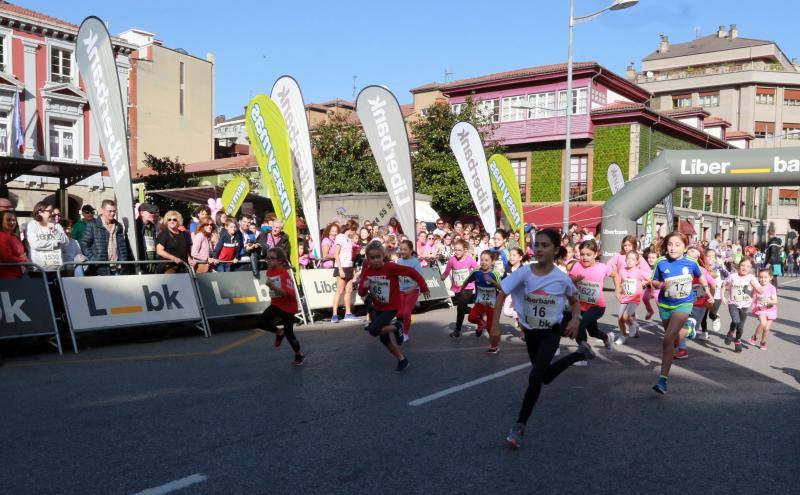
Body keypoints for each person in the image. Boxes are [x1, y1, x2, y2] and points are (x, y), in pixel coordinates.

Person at [490, 228, 589, 449]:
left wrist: (576, 318)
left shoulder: (561, 278)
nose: (539, 249)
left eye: (545, 245)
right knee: (543, 377)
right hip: (530, 333)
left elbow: (574, 301)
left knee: (535, 377)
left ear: (555, 249)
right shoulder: (525, 272)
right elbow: (502, 293)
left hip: (550, 333)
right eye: (537, 245)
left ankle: (519, 426)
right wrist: (495, 326)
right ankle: (579, 354)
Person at [650, 232, 712, 394]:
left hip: (684, 303)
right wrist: (661, 285)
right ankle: (689, 328)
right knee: (674, 341)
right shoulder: (661, 262)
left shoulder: (691, 262)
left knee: (667, 339)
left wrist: (708, 292)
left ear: (685, 248)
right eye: (670, 244)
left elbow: (702, 276)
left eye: (677, 245)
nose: (673, 248)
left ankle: (662, 379)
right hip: (665, 304)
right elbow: (654, 281)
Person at [357, 242, 429, 372]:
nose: (375, 260)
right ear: (368, 258)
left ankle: (397, 327)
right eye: (372, 258)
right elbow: (361, 293)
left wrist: (423, 286)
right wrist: (364, 286)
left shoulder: (391, 267)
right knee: (384, 339)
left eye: (378, 257)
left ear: (383, 256)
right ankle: (402, 360)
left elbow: (411, 272)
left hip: (391, 307)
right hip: (378, 307)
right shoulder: (367, 271)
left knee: (373, 330)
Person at [568, 239, 615, 365]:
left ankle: (582, 356)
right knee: (593, 332)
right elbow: (569, 279)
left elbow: (615, 275)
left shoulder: (602, 267)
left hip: (597, 306)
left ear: (595, 254)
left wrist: (618, 290)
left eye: (588, 255)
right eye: (582, 254)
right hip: (581, 306)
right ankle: (607, 338)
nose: (584, 257)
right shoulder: (577, 265)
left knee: (580, 324)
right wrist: (574, 280)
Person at [258, 247, 305, 366]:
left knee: (289, 333)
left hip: (288, 306)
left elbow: (286, 293)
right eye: (267, 258)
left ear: (280, 261)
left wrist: (272, 287)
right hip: (276, 304)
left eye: (271, 258)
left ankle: (299, 354)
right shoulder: (270, 271)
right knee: (260, 322)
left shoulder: (284, 274)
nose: (268, 260)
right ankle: (279, 332)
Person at [672, 245, 716, 359]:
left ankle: (686, 336)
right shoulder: (680, 267)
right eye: (690, 250)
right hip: (683, 303)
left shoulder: (702, 271)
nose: (692, 253)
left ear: (698, 256)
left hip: (699, 305)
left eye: (695, 252)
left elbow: (713, 284)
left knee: (691, 331)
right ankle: (682, 350)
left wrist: (709, 297)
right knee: (680, 325)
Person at [461, 250, 502, 353]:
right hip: (479, 302)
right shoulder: (476, 272)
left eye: (486, 260)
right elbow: (468, 280)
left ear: (492, 262)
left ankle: (494, 346)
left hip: (492, 305)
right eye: (482, 260)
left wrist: (492, 281)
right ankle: (480, 324)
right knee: (471, 318)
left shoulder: (495, 274)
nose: (483, 262)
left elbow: (502, 288)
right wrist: (462, 288)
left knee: (490, 327)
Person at [722, 256, 763, 353]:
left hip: (745, 306)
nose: (745, 268)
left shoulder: (752, 278)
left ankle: (737, 340)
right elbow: (724, 285)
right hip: (733, 304)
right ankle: (731, 332)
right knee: (735, 321)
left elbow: (760, 290)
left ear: (751, 268)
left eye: (748, 266)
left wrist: (757, 286)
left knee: (741, 327)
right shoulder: (733, 276)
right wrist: (723, 296)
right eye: (743, 265)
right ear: (739, 266)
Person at [441, 239, 479, 339]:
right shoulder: (452, 260)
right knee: (463, 308)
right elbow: (447, 271)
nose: (457, 252)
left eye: (459, 250)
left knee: (460, 307)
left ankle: (457, 331)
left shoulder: (470, 260)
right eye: (455, 250)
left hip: (468, 287)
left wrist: (478, 276)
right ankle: (478, 314)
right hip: (457, 288)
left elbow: (477, 269)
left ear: (465, 250)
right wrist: (443, 276)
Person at [80, 199, 130, 275]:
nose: (113, 213)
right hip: (101, 268)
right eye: (110, 211)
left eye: (114, 211)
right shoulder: (93, 225)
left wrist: (123, 260)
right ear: (102, 210)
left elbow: (122, 246)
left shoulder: (118, 226)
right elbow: (84, 243)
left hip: (118, 268)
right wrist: (94, 259)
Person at [613, 250, 651, 345]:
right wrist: (619, 290)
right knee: (620, 319)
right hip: (625, 297)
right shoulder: (622, 271)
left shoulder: (638, 272)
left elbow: (650, 278)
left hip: (634, 298)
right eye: (628, 259)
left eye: (633, 259)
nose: (630, 261)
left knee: (626, 316)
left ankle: (633, 325)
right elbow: (620, 282)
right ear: (625, 260)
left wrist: (645, 283)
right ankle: (623, 335)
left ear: (637, 262)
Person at [26, 201, 68, 271]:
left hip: (57, 269)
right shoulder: (32, 224)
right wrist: (55, 243)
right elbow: (35, 244)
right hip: (39, 269)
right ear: (40, 212)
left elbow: (66, 242)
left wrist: (55, 231)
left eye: (52, 211)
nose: (52, 213)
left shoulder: (56, 225)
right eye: (50, 211)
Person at [331, 220, 359, 322]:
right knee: (339, 290)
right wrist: (340, 269)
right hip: (341, 266)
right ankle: (334, 315)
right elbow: (336, 254)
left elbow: (348, 254)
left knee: (349, 290)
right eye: (355, 230)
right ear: (351, 229)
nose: (355, 232)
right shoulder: (340, 237)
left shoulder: (349, 239)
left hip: (349, 266)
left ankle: (348, 313)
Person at [396, 239, 423, 342]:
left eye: (405, 249)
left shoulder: (415, 262)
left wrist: (411, 289)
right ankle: (399, 328)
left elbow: (419, 279)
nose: (402, 251)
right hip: (401, 290)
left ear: (411, 250)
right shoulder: (399, 261)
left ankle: (405, 333)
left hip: (413, 290)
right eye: (401, 249)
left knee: (406, 312)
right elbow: (396, 274)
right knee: (399, 314)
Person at [748, 269, 777, 350]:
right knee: (763, 324)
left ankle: (763, 342)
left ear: (770, 278)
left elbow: (775, 301)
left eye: (765, 277)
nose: (763, 279)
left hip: (771, 310)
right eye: (761, 277)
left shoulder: (772, 288)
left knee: (767, 329)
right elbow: (751, 296)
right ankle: (755, 337)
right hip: (760, 309)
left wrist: (769, 301)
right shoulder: (757, 287)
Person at [701, 249, 728, 336]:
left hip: (716, 296)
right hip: (704, 295)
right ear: (704, 258)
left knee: (711, 314)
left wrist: (724, 289)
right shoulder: (702, 268)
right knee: (703, 315)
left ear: (716, 259)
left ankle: (716, 317)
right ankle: (704, 332)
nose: (711, 258)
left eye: (713, 257)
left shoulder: (720, 268)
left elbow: (729, 277)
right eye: (708, 256)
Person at [0, 211, 26, 278]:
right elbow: (6, 258)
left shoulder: (14, 236)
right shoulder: (1, 236)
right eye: (8, 220)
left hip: (18, 274)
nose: (12, 222)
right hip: (6, 276)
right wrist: (24, 260)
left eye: (14, 220)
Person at [135, 203, 160, 273]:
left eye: (154, 212)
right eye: (150, 212)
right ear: (142, 213)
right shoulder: (135, 227)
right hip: (141, 266)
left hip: (152, 265)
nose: (153, 214)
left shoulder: (152, 227)